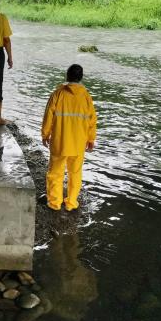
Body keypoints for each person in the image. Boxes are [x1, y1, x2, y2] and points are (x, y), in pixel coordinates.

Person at [41, 64, 97, 211]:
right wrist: (91, 139)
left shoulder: (58, 94)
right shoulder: (86, 96)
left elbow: (48, 116)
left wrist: (45, 134)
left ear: (67, 75)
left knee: (55, 173)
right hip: (78, 144)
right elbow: (92, 120)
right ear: (81, 77)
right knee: (75, 173)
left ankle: (55, 203)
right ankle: (71, 203)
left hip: (60, 141)